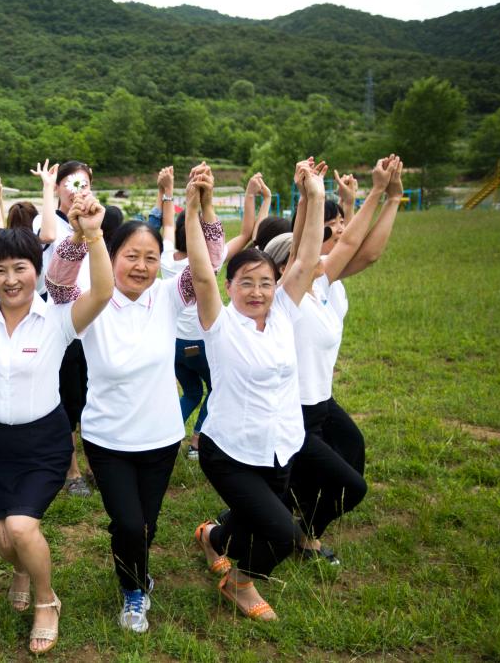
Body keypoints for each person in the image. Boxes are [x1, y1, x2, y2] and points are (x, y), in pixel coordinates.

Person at [44, 163, 229, 633]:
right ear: (112, 256)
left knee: (147, 523)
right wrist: (80, 234)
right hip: (108, 439)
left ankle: (134, 569)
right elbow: (57, 284)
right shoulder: (92, 301)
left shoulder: (167, 296)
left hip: (161, 436)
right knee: (127, 523)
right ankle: (132, 592)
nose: (141, 266)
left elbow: (209, 264)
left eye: (150, 257)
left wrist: (203, 208)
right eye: (131, 256)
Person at [0, 193, 113, 654]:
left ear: (36, 271)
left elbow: (102, 292)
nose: (10, 279)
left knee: (21, 528)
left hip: (43, 442)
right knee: (4, 540)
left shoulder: (56, 319)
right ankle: (20, 570)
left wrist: (94, 236)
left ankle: (46, 600)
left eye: (20, 268)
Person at [189, 158, 327, 622]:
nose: (256, 291)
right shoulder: (220, 324)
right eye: (245, 282)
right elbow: (202, 274)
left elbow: (306, 258)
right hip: (229, 450)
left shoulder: (284, 312)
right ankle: (240, 583)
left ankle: (211, 537)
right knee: (280, 532)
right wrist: (193, 209)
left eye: (265, 283)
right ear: (229, 287)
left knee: (250, 518)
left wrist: (315, 195)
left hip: (280, 445)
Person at [263, 156, 403, 565]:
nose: (336, 235)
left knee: (350, 450)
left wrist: (388, 197)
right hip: (291, 410)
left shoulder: (323, 286)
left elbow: (361, 250)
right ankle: (249, 526)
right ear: (282, 268)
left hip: (321, 403)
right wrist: (366, 194)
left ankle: (302, 527)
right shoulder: (285, 299)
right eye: (331, 226)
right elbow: (318, 247)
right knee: (341, 485)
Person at [159, 168, 270, 460]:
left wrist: (167, 190)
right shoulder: (211, 263)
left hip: (174, 345)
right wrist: (249, 195)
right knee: (216, 388)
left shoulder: (166, 258)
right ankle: (197, 443)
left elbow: (167, 223)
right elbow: (246, 233)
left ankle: (163, 434)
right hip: (201, 343)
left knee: (191, 393)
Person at [33, 159, 94, 497]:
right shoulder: (46, 220)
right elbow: (47, 235)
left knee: (92, 396)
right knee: (68, 400)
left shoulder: (94, 223)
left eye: (84, 185)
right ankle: (72, 472)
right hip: (62, 326)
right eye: (71, 184)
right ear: (58, 188)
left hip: (94, 325)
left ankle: (96, 463)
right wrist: (47, 187)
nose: (78, 191)